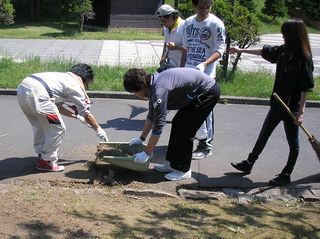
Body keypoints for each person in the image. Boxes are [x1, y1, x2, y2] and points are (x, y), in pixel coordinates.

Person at [229, 19, 314, 186]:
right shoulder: (284, 51)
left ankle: (286, 174)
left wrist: (301, 113)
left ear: (294, 36)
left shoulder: (304, 59)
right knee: (264, 134)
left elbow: (306, 88)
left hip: (291, 109)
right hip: (277, 104)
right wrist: (241, 50)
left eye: (285, 34)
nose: (283, 37)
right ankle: (249, 163)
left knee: (293, 143)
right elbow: (265, 51)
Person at [123, 67, 220, 181]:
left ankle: (183, 170)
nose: (135, 95)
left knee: (185, 130)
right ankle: (174, 164)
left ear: (141, 87)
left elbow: (158, 125)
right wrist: (141, 138)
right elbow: (151, 116)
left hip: (207, 92)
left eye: (134, 92)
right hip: (196, 92)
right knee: (177, 123)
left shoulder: (159, 90)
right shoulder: (151, 85)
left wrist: (147, 153)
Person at [17, 63, 108, 172]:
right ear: (85, 79)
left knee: (40, 125)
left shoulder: (62, 78)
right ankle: (46, 161)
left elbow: (58, 107)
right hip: (39, 94)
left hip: (23, 89)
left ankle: (42, 154)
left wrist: (77, 117)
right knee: (57, 128)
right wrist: (98, 129)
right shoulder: (75, 85)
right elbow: (86, 113)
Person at [182, 0, 226, 159]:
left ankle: (206, 145)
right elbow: (186, 48)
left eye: (208, 7)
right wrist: (182, 70)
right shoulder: (188, 23)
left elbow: (220, 50)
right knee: (189, 108)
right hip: (189, 73)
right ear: (195, 6)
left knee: (205, 109)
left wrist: (205, 63)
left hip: (206, 75)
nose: (204, 10)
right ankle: (194, 139)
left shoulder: (216, 24)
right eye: (201, 7)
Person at [157, 4, 186, 72]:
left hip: (183, 66)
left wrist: (176, 47)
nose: (163, 24)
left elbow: (190, 48)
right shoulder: (166, 27)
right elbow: (166, 42)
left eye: (164, 21)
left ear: (172, 17)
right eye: (161, 21)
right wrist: (163, 57)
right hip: (170, 63)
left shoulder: (184, 26)